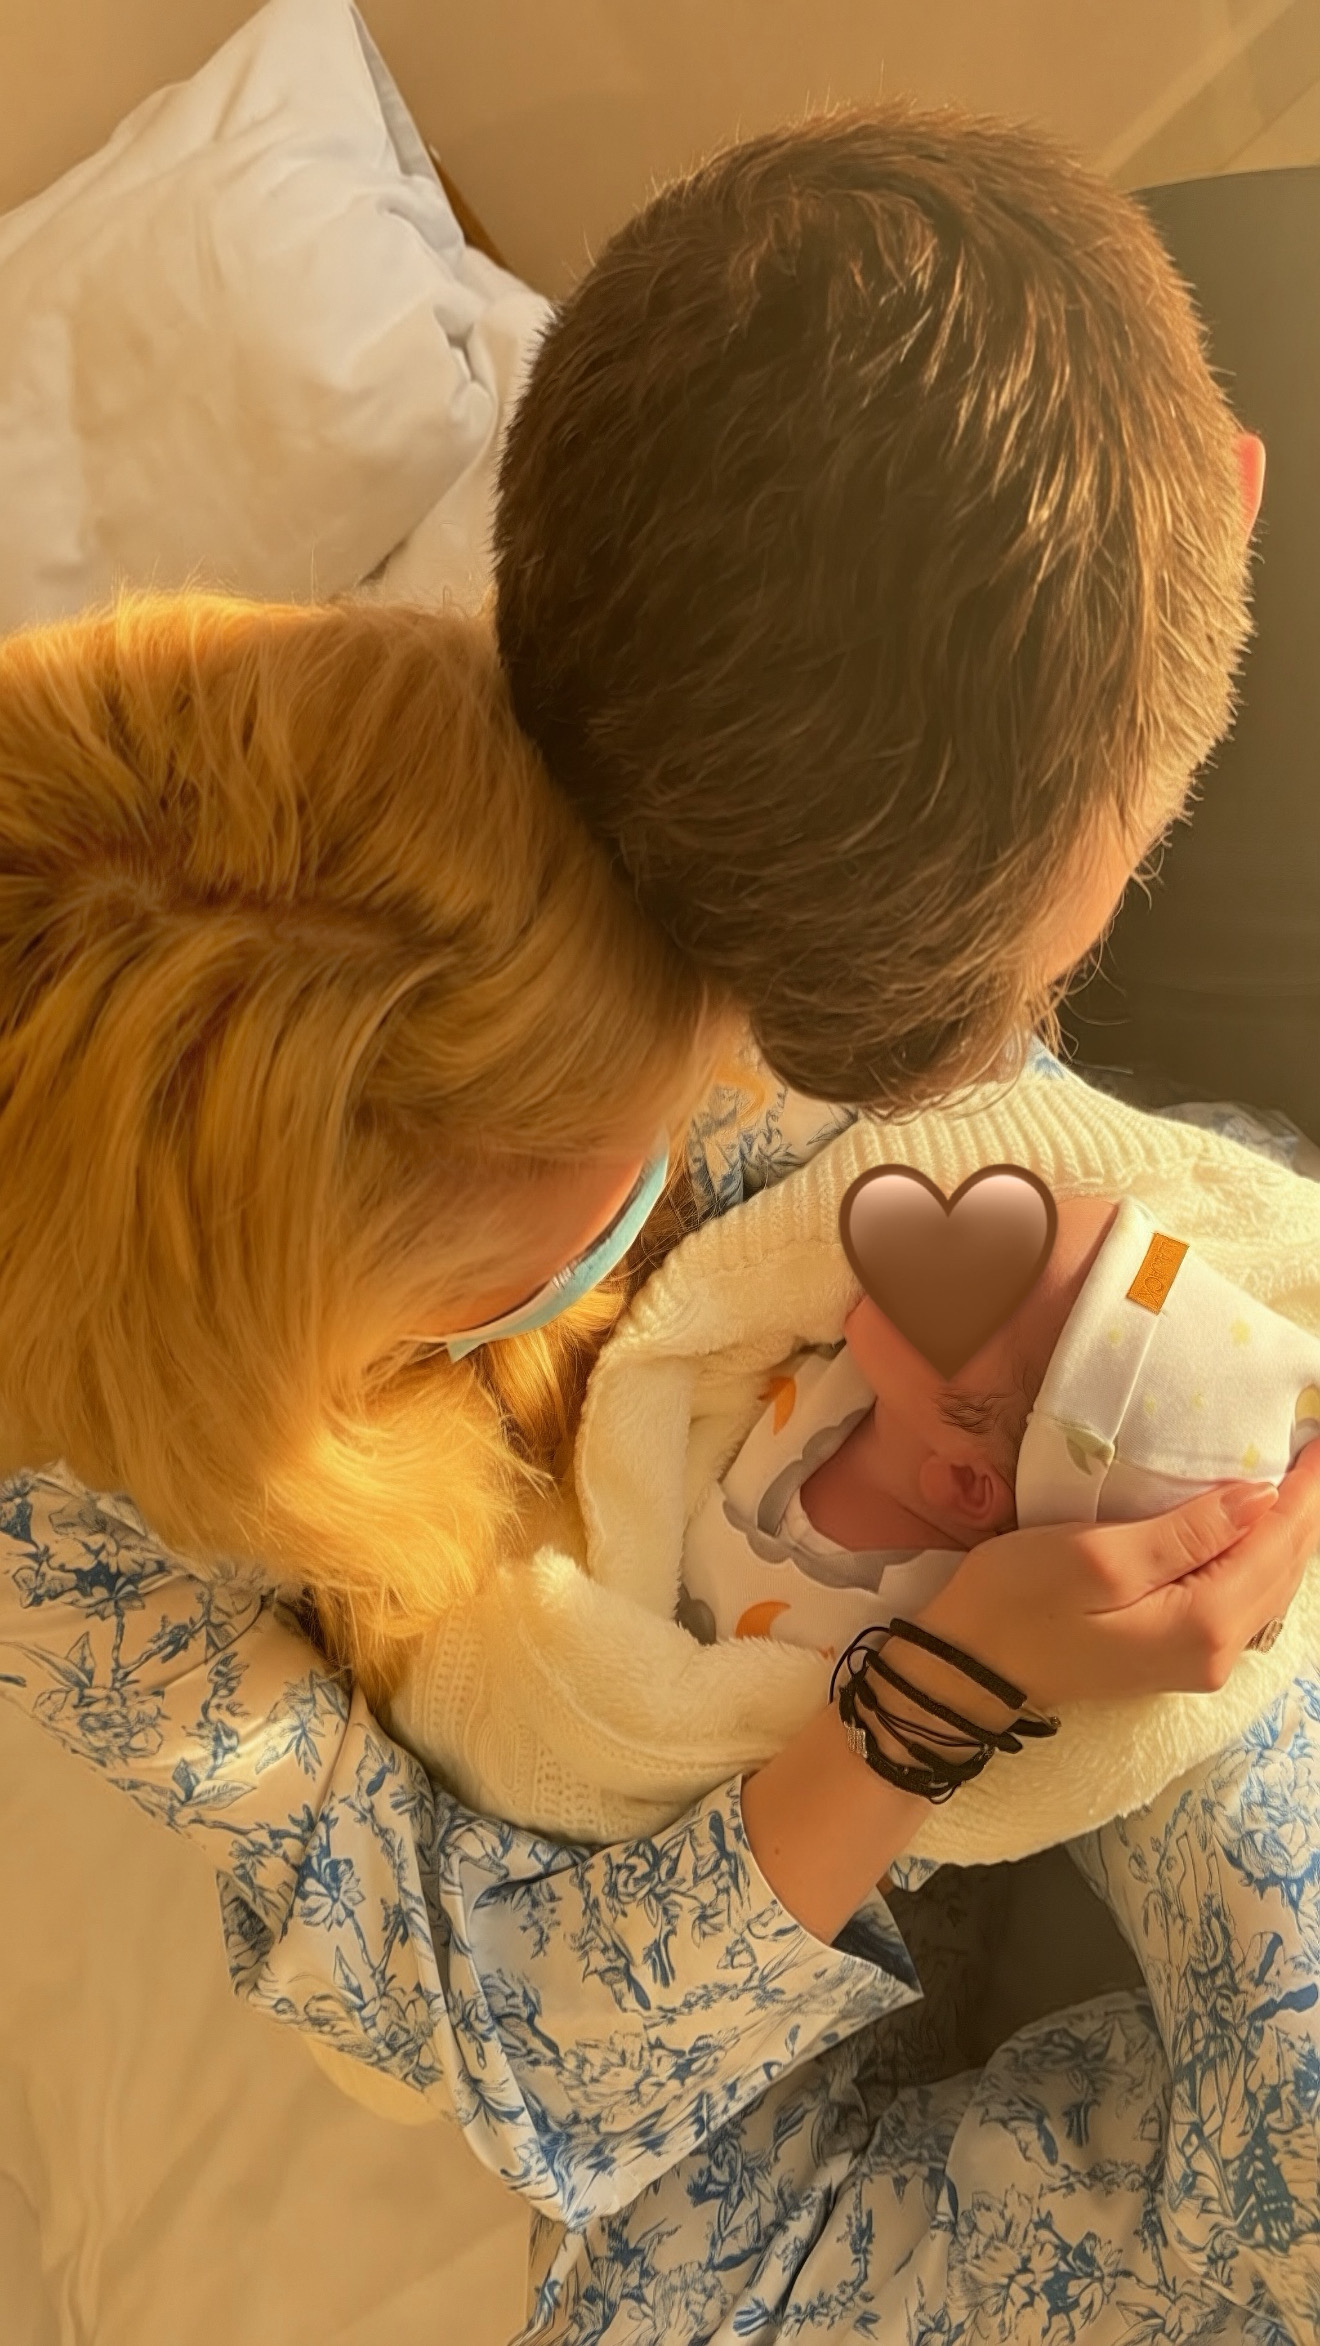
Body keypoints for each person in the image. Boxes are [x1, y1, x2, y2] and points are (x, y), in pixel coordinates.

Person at [1, 105, 1316, 2343]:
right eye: (547, 1259)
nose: (659, 1204)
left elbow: (987, 1128)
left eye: (661, 1130)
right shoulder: (94, 1534)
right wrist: (944, 1694)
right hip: (717, 1937)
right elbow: (508, 2044)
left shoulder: (539, 836)